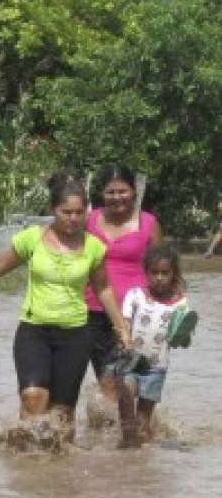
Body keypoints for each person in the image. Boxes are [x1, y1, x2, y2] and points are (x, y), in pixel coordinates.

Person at [0, 173, 131, 440]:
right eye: (66, 212)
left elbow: (103, 288)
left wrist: (121, 327)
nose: (73, 219)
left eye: (79, 213)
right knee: (33, 398)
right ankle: (23, 467)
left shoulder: (94, 247)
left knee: (62, 414)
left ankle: (58, 475)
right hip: (34, 330)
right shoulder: (32, 238)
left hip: (75, 334)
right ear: (53, 210)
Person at [84, 165, 163, 399]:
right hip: (93, 311)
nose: (116, 197)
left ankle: (133, 430)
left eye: (122, 191)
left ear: (134, 192)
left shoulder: (149, 224)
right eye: (110, 192)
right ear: (102, 194)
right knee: (106, 380)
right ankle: (109, 430)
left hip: (137, 315)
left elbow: (162, 269)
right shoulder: (89, 221)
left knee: (130, 379)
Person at [116, 243, 188, 446]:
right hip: (129, 360)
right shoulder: (135, 295)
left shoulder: (180, 304)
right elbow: (125, 322)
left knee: (142, 421)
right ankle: (126, 446)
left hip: (156, 367)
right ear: (146, 272)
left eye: (165, 273)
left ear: (174, 274)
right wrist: (125, 339)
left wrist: (183, 334)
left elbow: (180, 338)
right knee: (127, 402)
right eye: (154, 272)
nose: (159, 277)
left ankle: (144, 458)